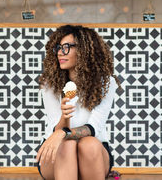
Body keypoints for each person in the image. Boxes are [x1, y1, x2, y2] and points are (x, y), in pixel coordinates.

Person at [36, 25, 120, 180]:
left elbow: (94, 127)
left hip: (93, 152)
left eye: (67, 47)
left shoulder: (106, 83)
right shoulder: (49, 84)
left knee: (88, 143)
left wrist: (63, 133)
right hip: (56, 153)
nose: (61, 52)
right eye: (59, 47)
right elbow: (57, 129)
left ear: (83, 51)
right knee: (66, 145)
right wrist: (64, 117)